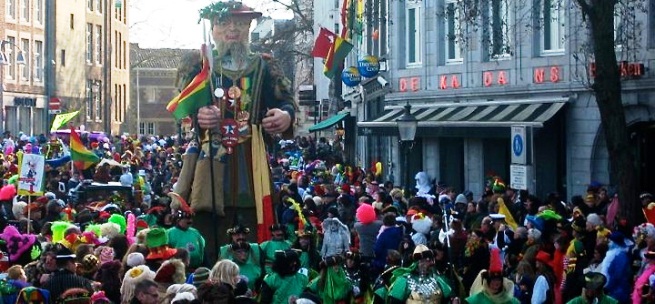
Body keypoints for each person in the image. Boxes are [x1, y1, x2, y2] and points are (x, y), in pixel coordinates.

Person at [171, 0, 297, 261]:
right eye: (224, 23)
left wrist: (286, 115)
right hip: (209, 156)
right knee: (205, 207)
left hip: (252, 156)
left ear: (249, 27)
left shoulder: (265, 66)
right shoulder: (199, 65)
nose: (232, 29)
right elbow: (183, 107)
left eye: (239, 23)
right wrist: (199, 115)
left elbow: (285, 101)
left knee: (255, 208)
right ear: (213, 28)